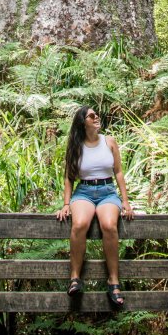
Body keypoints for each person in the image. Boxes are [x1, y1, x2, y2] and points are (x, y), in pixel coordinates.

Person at [56, 105, 134, 308]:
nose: (96, 116)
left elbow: (118, 172)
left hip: (107, 191)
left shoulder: (109, 142)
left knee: (109, 225)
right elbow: (69, 177)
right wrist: (66, 204)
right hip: (84, 192)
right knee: (80, 223)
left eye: (96, 114)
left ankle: (113, 281)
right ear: (83, 122)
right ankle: (75, 278)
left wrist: (125, 201)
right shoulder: (76, 145)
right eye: (91, 115)